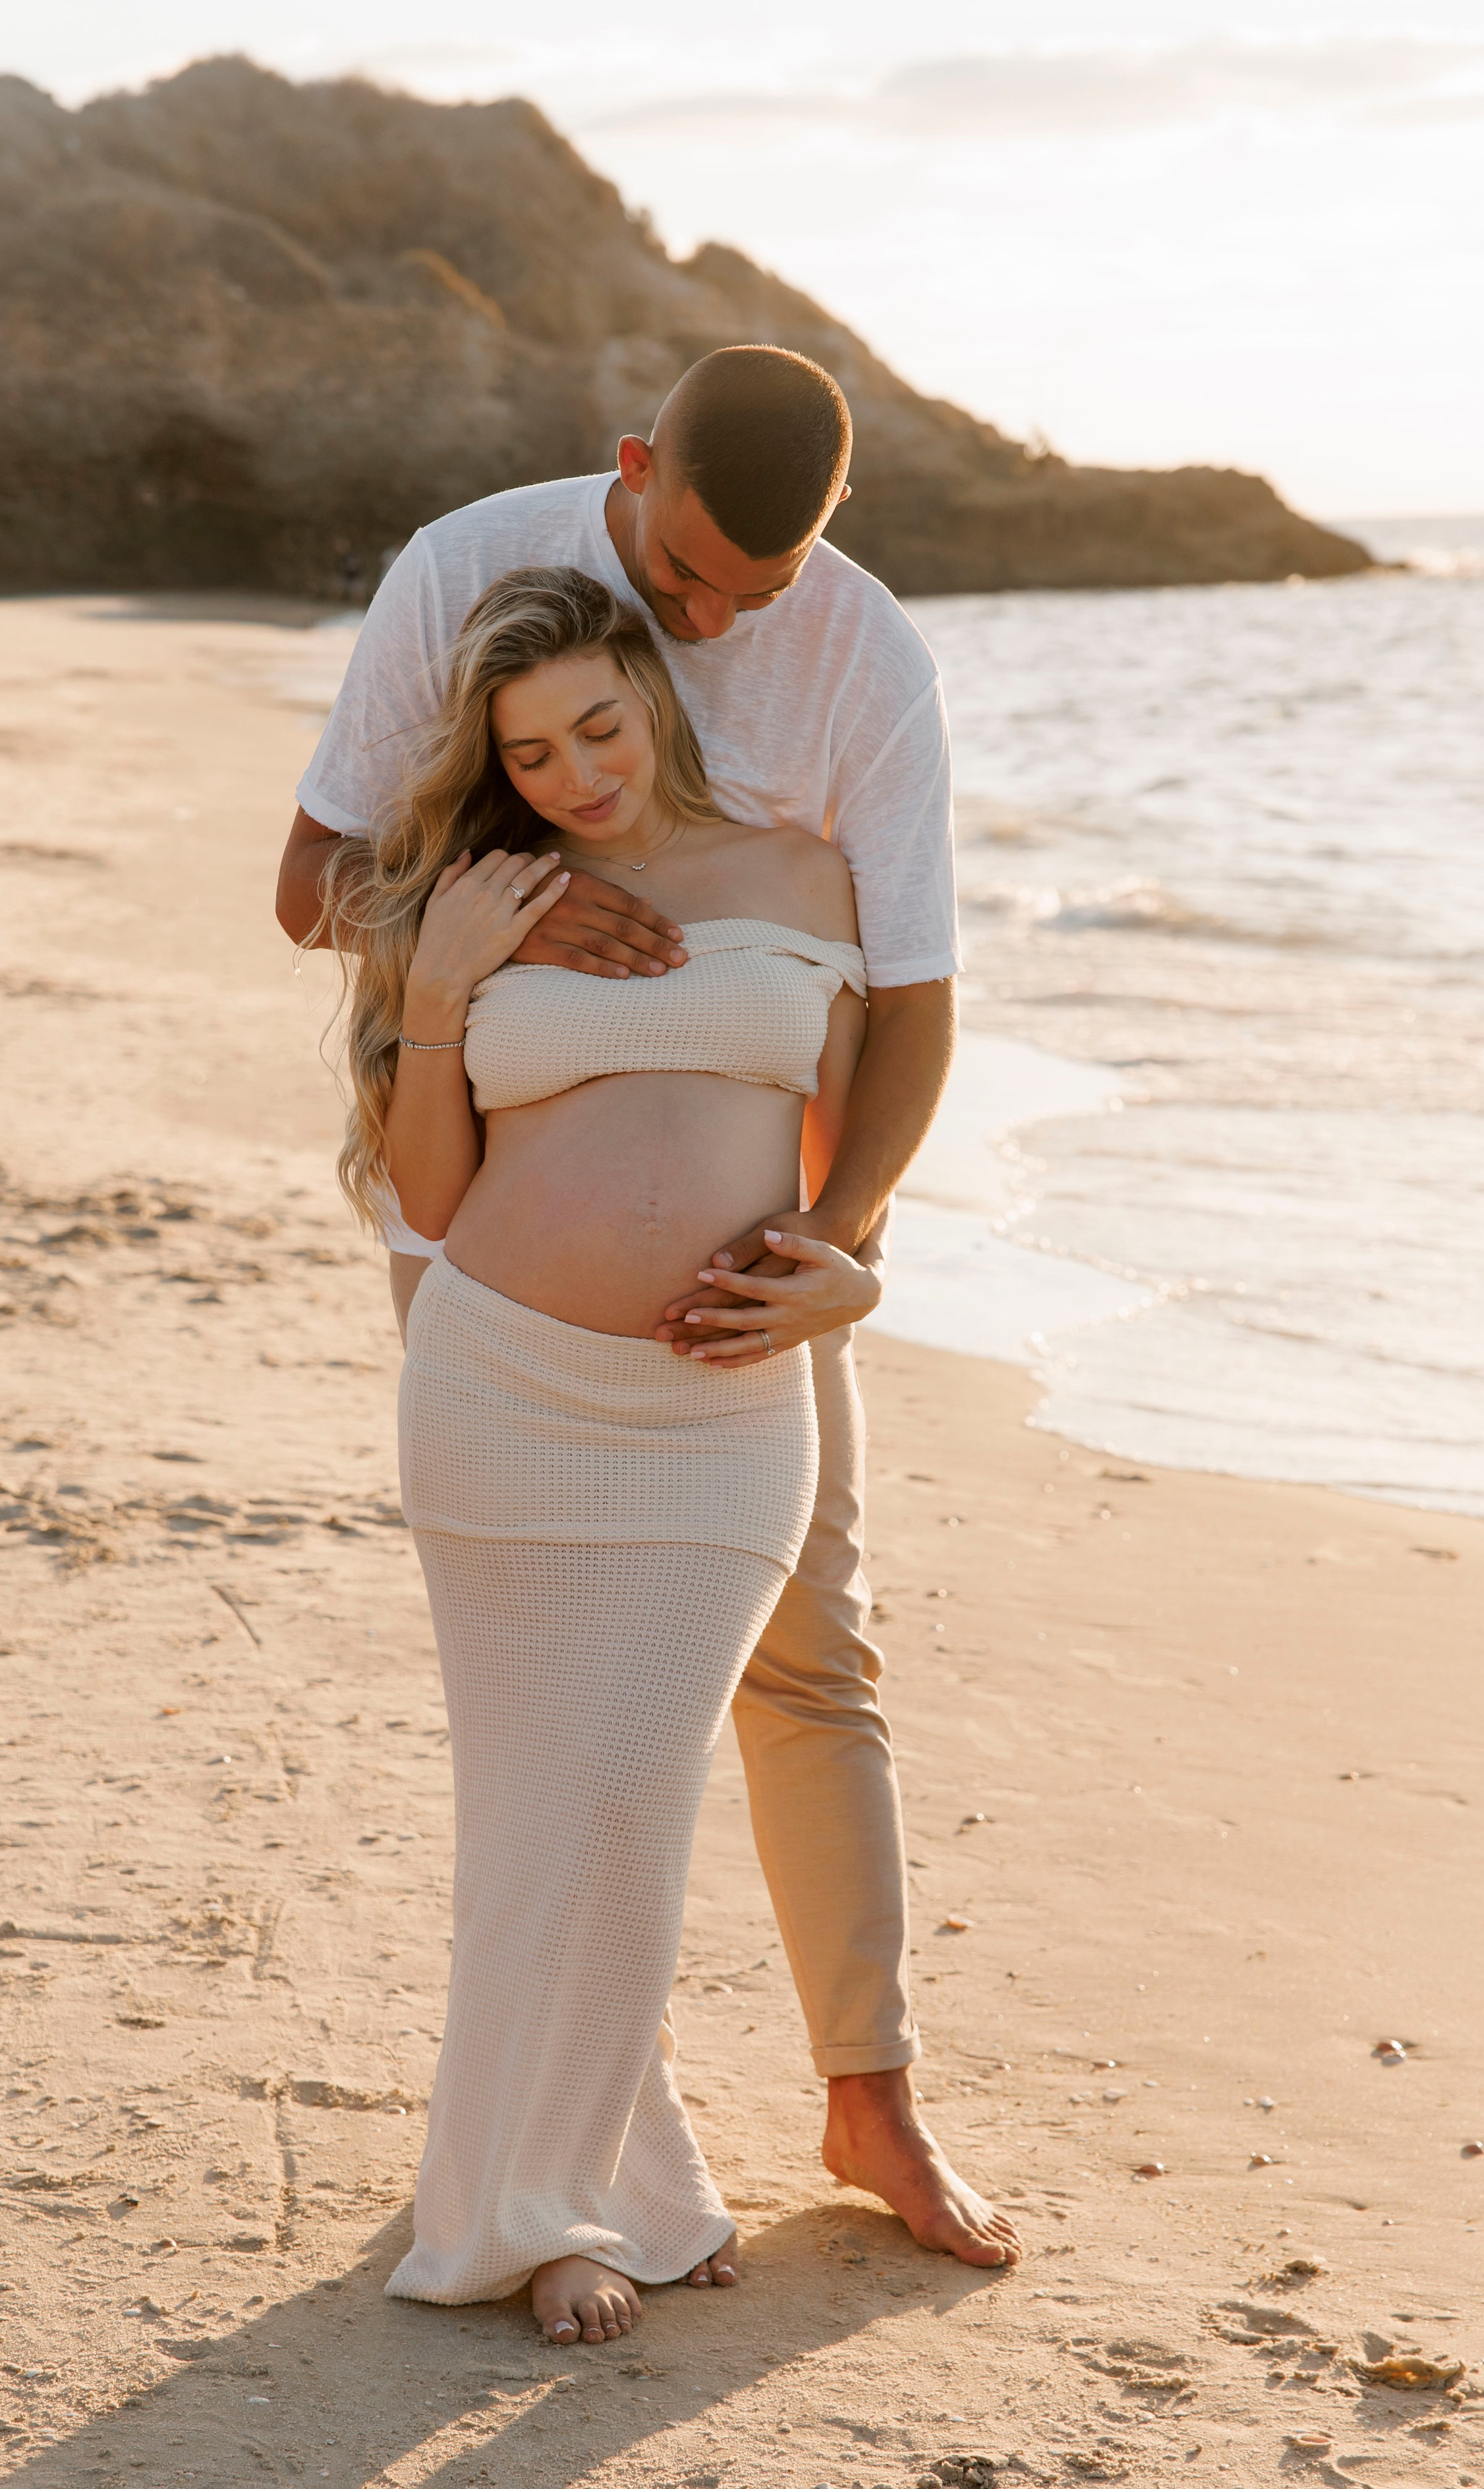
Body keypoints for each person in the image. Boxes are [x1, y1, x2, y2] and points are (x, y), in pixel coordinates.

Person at [278, 345, 1023, 2277]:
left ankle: (868, 2097)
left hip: (748, 1302)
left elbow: (916, 984)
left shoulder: (859, 656)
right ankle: (570, 2153)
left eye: (748, 598)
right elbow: (319, 874)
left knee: (808, 1652)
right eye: (685, 581)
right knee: (562, 1749)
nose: (710, 622)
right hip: (499, 1278)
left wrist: (851, 1241)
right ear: (631, 472)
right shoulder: (473, 566)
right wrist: (501, 894)